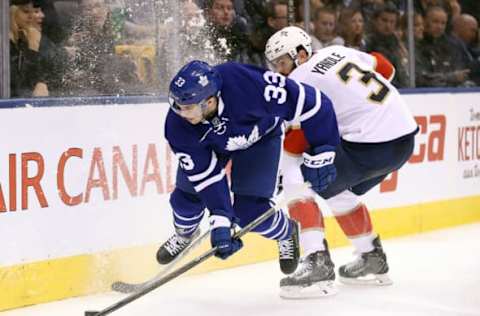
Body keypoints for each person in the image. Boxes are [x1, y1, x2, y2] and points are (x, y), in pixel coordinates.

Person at [265, 26, 418, 298]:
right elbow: (386, 68)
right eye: (275, 65)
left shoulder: (299, 80)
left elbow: (294, 140)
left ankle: (316, 264)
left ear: (301, 54)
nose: (280, 71)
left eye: (283, 63)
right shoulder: (337, 51)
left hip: (370, 144)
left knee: (296, 177)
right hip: (404, 139)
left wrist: (279, 176)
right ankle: (371, 256)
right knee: (337, 190)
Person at [156, 60, 341, 276]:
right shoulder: (177, 126)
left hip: (260, 140)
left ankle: (286, 233)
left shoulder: (247, 84)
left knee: (251, 213)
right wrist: (221, 219)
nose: (181, 114)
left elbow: (315, 104)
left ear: (209, 101)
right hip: (215, 147)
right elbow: (207, 178)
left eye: (188, 108)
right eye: (176, 106)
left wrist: (323, 152)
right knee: (185, 200)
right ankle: (185, 234)